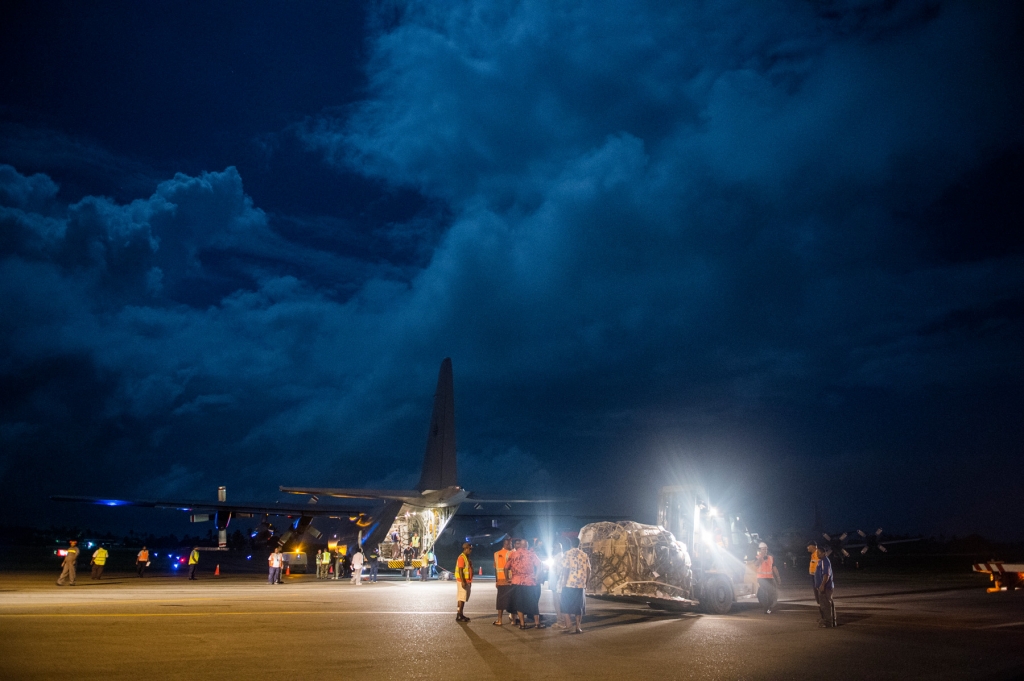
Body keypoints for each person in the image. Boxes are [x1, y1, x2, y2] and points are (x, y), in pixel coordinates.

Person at [507, 538, 544, 629]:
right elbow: (540, 565)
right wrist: (536, 575)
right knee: (533, 602)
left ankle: (522, 624)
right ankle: (537, 623)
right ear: (526, 545)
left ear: (520, 545)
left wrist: (507, 578)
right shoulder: (531, 554)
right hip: (529, 582)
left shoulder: (513, 554)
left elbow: (506, 567)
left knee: (519, 604)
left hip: (516, 582)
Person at [559, 536, 591, 634]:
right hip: (580, 585)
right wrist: (586, 582)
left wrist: (564, 581)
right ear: (579, 544)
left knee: (565, 604)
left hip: (569, 583)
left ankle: (568, 624)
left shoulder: (567, 554)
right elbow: (589, 570)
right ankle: (578, 627)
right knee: (579, 606)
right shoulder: (584, 555)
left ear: (570, 544)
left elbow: (565, 569)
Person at [492, 537, 514, 626]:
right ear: (507, 544)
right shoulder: (511, 553)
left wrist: (496, 581)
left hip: (500, 581)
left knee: (500, 601)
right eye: (511, 544)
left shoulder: (496, 554)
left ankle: (499, 620)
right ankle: (513, 620)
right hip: (509, 580)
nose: (511, 546)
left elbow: (495, 569)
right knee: (512, 600)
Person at [754, 542, 779, 614]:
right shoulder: (757, 557)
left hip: (770, 578)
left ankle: (770, 607)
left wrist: (778, 577)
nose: (765, 551)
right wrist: (761, 557)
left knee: (773, 593)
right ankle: (766, 608)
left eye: (766, 549)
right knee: (765, 594)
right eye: (763, 549)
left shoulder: (771, 557)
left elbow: (774, 567)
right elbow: (756, 564)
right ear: (760, 550)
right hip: (761, 578)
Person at [815, 546, 836, 628]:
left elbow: (826, 574)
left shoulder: (825, 561)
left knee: (826, 605)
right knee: (827, 604)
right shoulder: (822, 561)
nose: (817, 554)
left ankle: (828, 622)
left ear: (824, 553)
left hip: (826, 587)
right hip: (825, 586)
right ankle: (831, 621)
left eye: (818, 552)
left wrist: (822, 585)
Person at [455, 542, 473, 622]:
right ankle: (459, 614)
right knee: (461, 598)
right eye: (469, 549)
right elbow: (460, 570)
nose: (471, 550)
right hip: (462, 580)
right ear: (465, 549)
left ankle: (461, 614)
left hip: (466, 580)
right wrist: (463, 581)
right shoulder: (461, 557)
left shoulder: (466, 557)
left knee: (463, 598)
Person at [549, 542, 565, 628]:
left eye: (554, 547)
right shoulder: (563, 556)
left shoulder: (557, 558)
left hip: (557, 583)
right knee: (561, 602)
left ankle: (560, 621)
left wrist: (553, 583)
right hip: (562, 583)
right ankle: (563, 620)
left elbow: (557, 572)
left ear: (559, 548)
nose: (553, 549)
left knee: (557, 602)